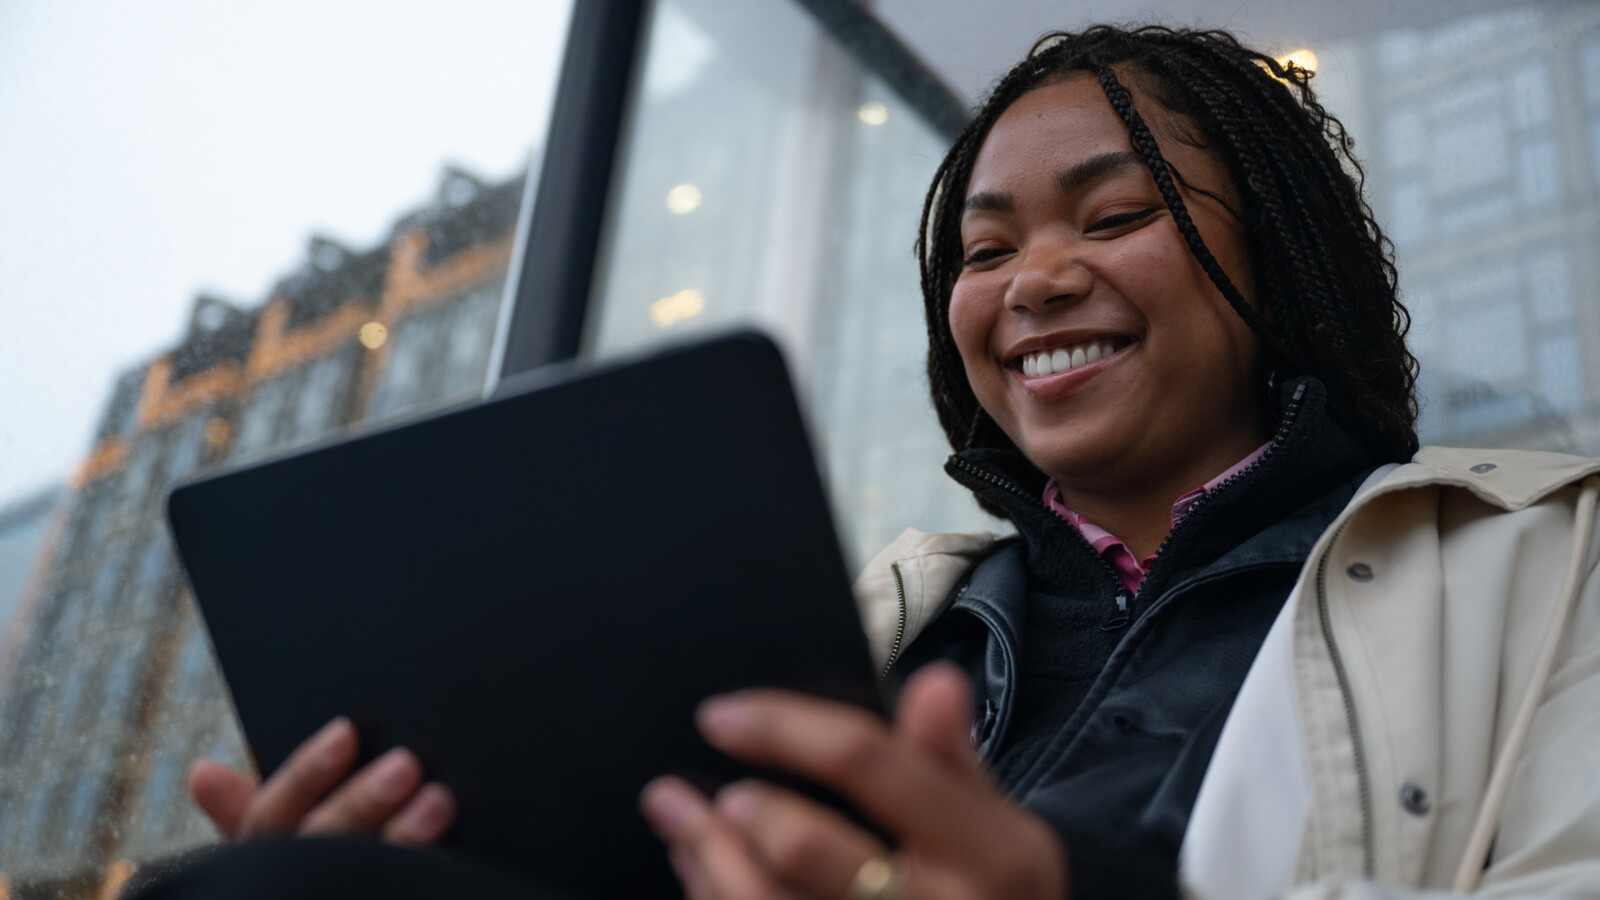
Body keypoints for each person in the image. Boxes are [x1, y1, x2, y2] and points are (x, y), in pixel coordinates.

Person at [171, 24, 1600, 900]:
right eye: (985, 251)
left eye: (1108, 221)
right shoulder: (879, 619)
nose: (1031, 280)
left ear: (1277, 269)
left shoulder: (1548, 564)